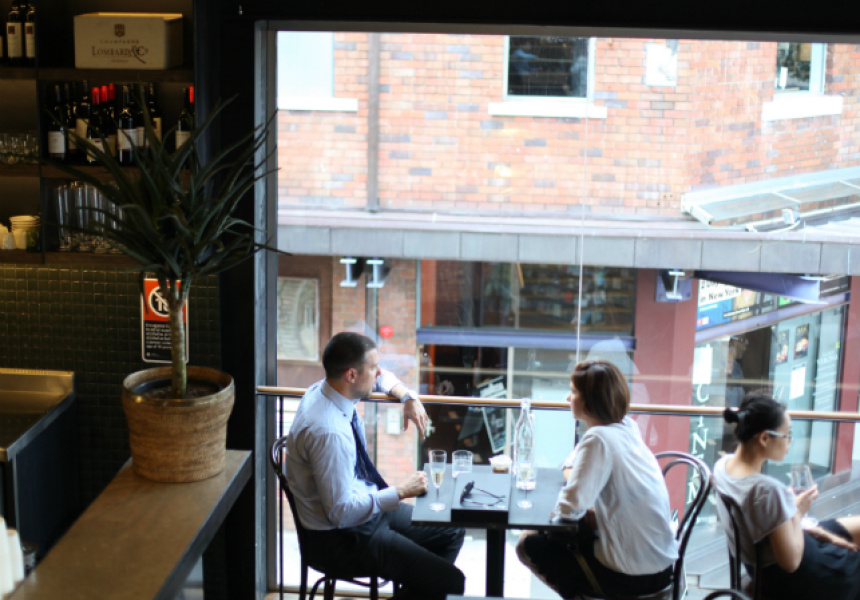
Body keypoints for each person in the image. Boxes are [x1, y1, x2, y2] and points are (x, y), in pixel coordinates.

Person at [285, 332, 465, 600]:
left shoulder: (326, 389)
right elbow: (340, 513)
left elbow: (383, 378)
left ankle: (422, 582)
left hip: (364, 511)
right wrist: (400, 491)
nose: (379, 373)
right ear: (351, 375)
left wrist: (406, 397)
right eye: (373, 368)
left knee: (452, 531)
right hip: (340, 538)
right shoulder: (329, 432)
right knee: (451, 581)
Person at [516, 360, 678, 598]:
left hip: (631, 576)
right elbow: (571, 464)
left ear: (591, 400)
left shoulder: (599, 439)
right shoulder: (626, 427)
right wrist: (588, 500)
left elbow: (568, 511)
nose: (567, 398)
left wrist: (579, 501)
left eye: (573, 392)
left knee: (527, 542)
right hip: (662, 569)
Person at [714, 393, 860, 599]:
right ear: (764, 438)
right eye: (787, 435)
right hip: (797, 578)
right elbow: (791, 563)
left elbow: (763, 519)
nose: (790, 441)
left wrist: (790, 510)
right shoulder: (766, 489)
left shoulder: (722, 466)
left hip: (765, 564)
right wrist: (797, 512)